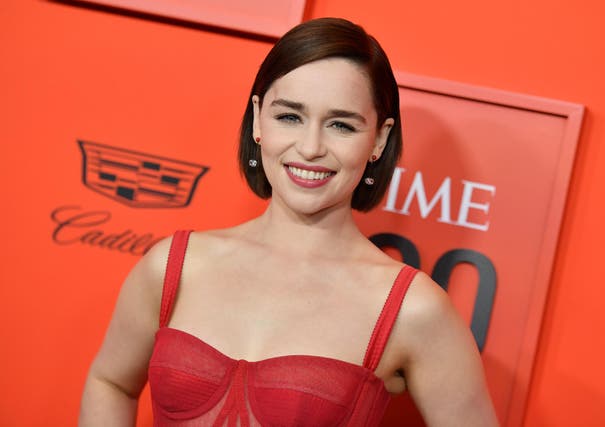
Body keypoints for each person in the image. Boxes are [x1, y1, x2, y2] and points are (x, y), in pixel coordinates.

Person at [79, 17, 498, 427]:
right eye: (290, 117)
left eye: (340, 125)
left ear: (379, 140)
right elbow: (110, 381)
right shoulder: (175, 265)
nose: (310, 147)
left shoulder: (414, 310)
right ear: (259, 118)